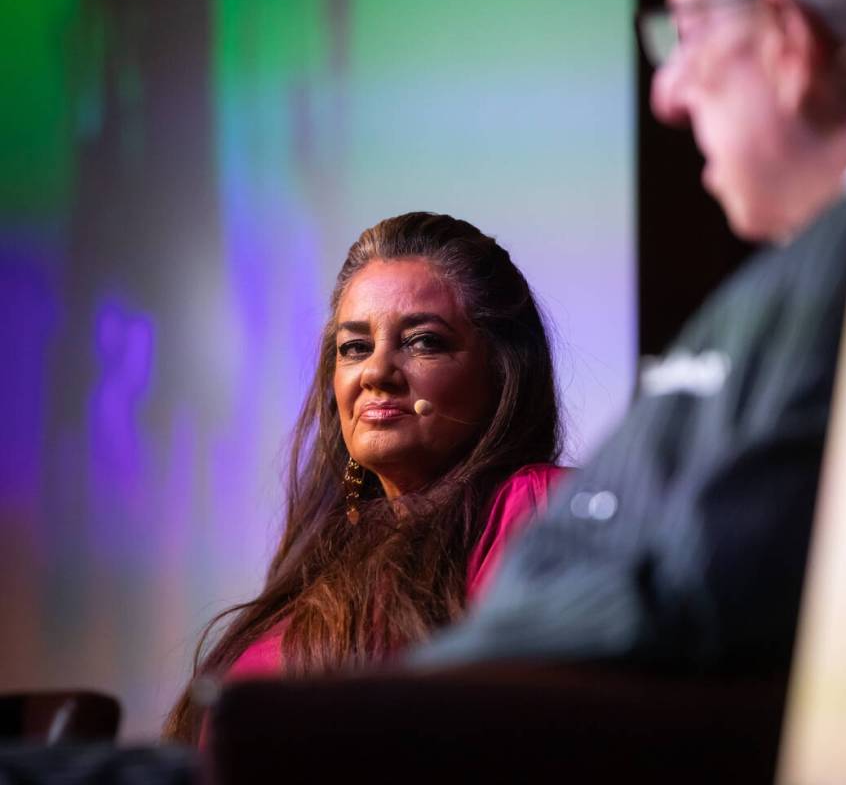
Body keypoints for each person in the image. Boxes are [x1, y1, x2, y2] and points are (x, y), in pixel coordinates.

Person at [410, 0, 846, 674]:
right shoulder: (800, 278)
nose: (666, 93)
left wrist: (350, 725)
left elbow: (692, 590)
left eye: (688, 34)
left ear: (788, 42)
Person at [163, 212, 566, 744]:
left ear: (502, 370)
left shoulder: (534, 505)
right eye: (355, 347)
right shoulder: (323, 554)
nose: (376, 372)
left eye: (423, 341)